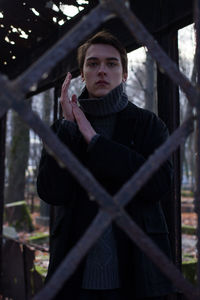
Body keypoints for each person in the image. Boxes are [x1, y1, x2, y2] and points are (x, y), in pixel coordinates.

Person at [37, 31, 175, 300]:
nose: (102, 70)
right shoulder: (63, 130)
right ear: (81, 73)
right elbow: (51, 192)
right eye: (93, 63)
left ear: (124, 74)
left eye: (111, 64)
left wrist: (96, 142)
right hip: (74, 277)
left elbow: (158, 185)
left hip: (137, 275)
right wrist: (69, 129)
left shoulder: (149, 125)